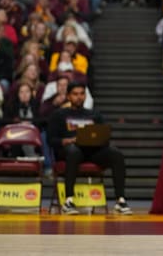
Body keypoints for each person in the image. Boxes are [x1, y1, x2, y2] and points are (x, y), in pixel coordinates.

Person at [47, 81, 132, 215]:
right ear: (68, 96)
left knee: (117, 154)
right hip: (70, 151)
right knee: (73, 151)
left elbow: (105, 135)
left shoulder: (94, 114)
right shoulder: (58, 115)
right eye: (75, 94)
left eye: (82, 94)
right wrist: (68, 140)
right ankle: (69, 201)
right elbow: (51, 140)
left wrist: (99, 140)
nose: (79, 97)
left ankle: (120, 201)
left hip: (92, 151)